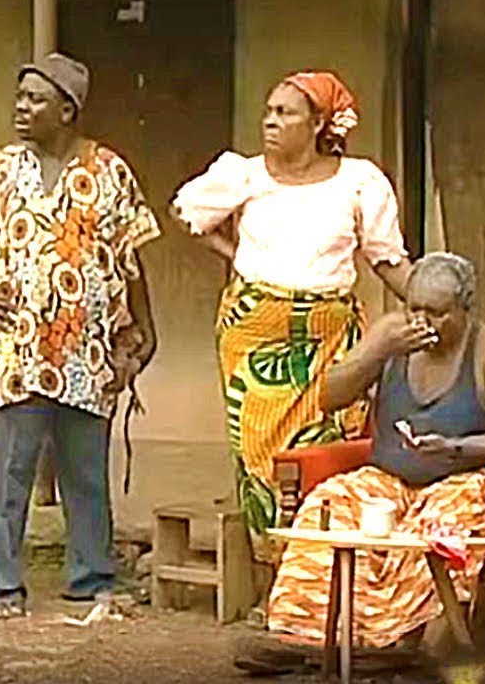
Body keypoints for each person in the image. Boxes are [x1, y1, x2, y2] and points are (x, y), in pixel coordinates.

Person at [0, 52, 161, 618]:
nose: (22, 108)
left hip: (89, 351)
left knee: (86, 474)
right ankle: (0, 587)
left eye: (35, 99)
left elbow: (132, 255)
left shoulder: (110, 172)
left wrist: (145, 329)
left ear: (67, 110)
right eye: (20, 97)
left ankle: (91, 577)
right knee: (9, 475)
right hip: (16, 349)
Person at [235, 253, 485, 673]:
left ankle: (400, 640)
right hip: (386, 479)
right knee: (330, 503)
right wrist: (380, 351)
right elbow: (329, 397)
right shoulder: (390, 334)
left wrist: (458, 447)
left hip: (459, 478)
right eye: (414, 309)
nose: (422, 322)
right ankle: (306, 635)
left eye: (437, 313)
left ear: (465, 310)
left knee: (438, 528)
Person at [172, 71, 414, 549]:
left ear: (318, 123)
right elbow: (187, 214)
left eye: (285, 113)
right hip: (252, 340)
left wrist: (434, 302)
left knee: (329, 446)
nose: (270, 121)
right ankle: (273, 563)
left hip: (328, 340)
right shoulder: (244, 176)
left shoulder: (359, 182)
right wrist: (236, 257)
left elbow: (388, 260)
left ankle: (318, 559)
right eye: (268, 111)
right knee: (259, 456)